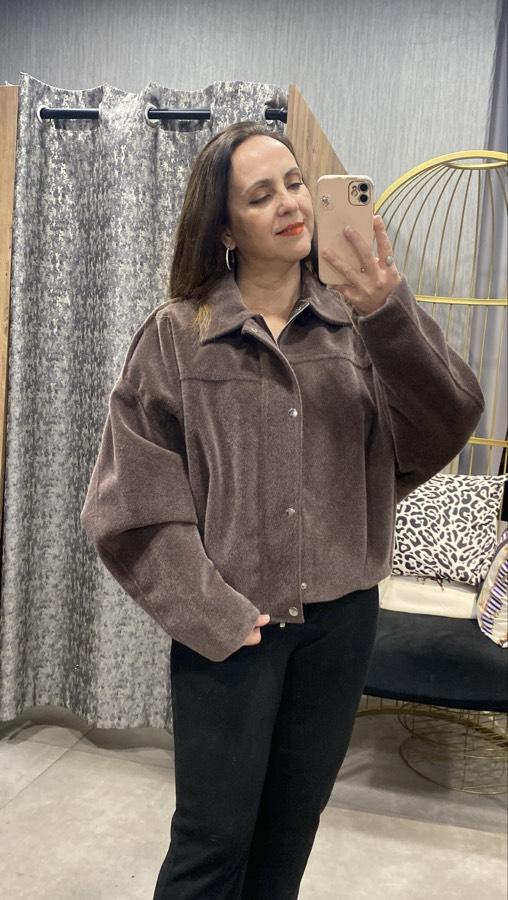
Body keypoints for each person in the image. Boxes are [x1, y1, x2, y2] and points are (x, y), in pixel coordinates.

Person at [80, 121, 484, 899]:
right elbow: (130, 500)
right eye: (261, 195)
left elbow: (445, 422)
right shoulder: (179, 336)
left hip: (341, 627)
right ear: (225, 228)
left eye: (296, 183)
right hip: (231, 628)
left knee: (288, 838)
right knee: (210, 845)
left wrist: (387, 310)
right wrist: (211, 611)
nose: (292, 204)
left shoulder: (359, 323)